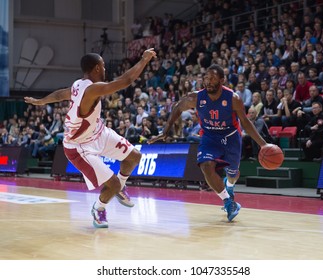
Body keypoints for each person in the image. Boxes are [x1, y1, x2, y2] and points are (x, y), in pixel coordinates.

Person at [24, 48, 157, 228]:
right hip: (79, 147)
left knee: (134, 157)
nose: (105, 70)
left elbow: (59, 94)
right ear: (96, 68)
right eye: (103, 66)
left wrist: (41, 101)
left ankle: (120, 187)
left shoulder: (78, 85)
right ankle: (99, 209)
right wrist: (144, 60)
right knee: (113, 184)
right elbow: (126, 80)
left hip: (98, 132)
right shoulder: (92, 89)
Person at [149, 64, 268, 222]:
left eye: (212, 78)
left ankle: (230, 186)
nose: (208, 81)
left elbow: (245, 122)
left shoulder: (233, 98)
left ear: (222, 80)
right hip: (210, 136)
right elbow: (178, 107)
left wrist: (263, 144)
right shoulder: (196, 97)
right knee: (205, 166)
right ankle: (228, 202)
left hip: (231, 137)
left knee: (233, 174)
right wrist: (166, 130)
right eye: (206, 78)